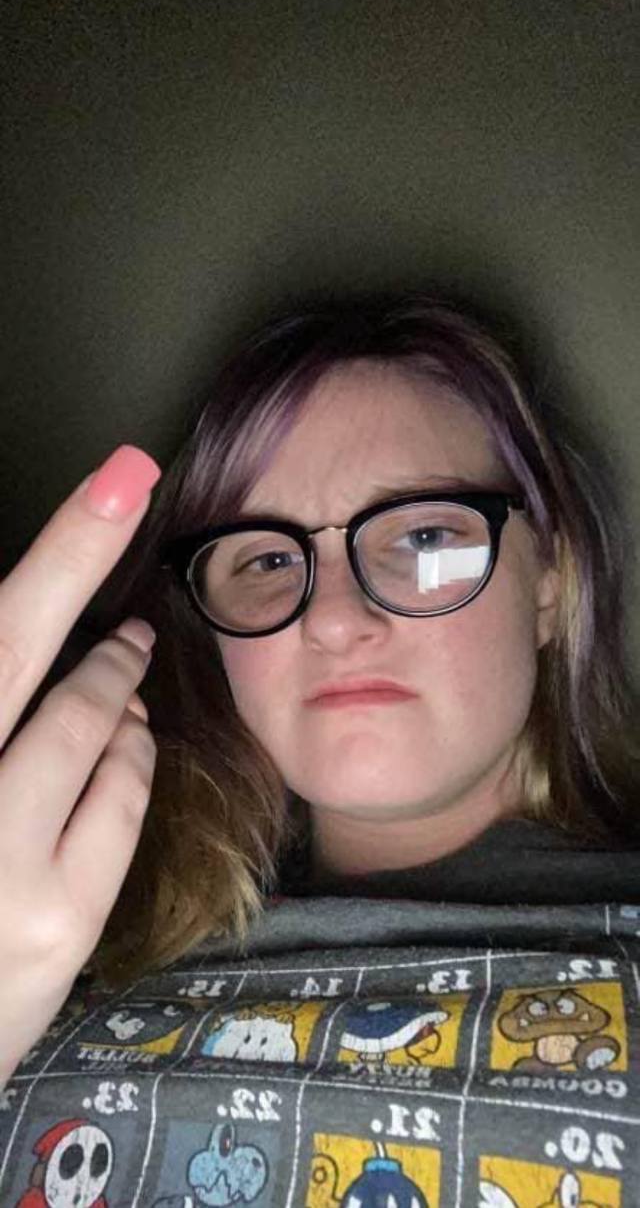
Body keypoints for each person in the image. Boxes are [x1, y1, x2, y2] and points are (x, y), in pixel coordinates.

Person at [1, 293, 639, 1206]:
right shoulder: (69, 918)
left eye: (424, 535)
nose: (336, 620)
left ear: (550, 581)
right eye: (266, 559)